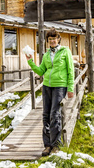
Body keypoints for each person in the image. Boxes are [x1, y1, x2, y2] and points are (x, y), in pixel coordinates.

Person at [25, 28, 75, 156]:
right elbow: (41, 71)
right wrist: (30, 61)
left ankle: (56, 145)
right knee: (46, 115)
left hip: (60, 86)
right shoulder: (46, 55)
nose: (52, 41)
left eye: (54, 38)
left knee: (55, 115)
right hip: (47, 86)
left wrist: (70, 88)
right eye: (50, 39)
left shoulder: (65, 51)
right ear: (48, 41)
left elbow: (70, 70)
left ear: (58, 39)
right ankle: (47, 145)